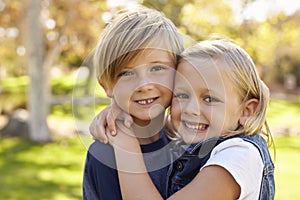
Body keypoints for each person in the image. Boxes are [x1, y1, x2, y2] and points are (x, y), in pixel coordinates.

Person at [101, 39, 275, 199]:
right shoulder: (194, 142)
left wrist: (125, 142)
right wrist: (121, 115)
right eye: (182, 95)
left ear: (246, 111)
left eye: (209, 99)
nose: (191, 110)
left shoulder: (239, 156)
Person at [82, 5, 184, 199]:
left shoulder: (186, 140)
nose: (144, 85)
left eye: (157, 68)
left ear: (180, 73)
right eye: (127, 73)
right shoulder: (104, 155)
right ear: (107, 86)